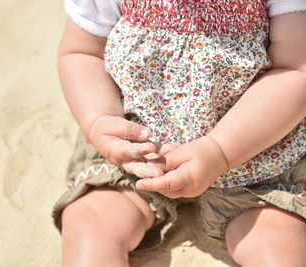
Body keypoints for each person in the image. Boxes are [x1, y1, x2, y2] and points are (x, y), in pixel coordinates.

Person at [52, 0, 306, 266]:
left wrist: (221, 149)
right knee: (91, 222)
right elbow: (83, 52)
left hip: (256, 155)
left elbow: (294, 68)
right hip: (138, 150)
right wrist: (100, 119)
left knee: (277, 244)